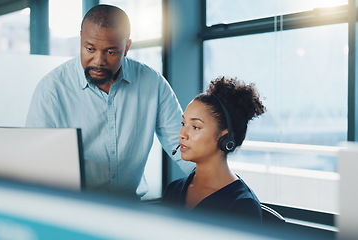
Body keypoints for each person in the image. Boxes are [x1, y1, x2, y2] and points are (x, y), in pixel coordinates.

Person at [26, 4, 192, 199]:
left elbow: (180, 145)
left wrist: (218, 186)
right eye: (90, 48)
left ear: (127, 48)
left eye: (111, 52)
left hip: (129, 209)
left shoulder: (152, 83)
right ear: (80, 39)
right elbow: (35, 163)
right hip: (73, 209)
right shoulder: (51, 89)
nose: (98, 61)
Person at [162, 76, 266, 222]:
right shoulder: (173, 190)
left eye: (195, 127)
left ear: (225, 139)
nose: (182, 134)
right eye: (183, 123)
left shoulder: (242, 205)